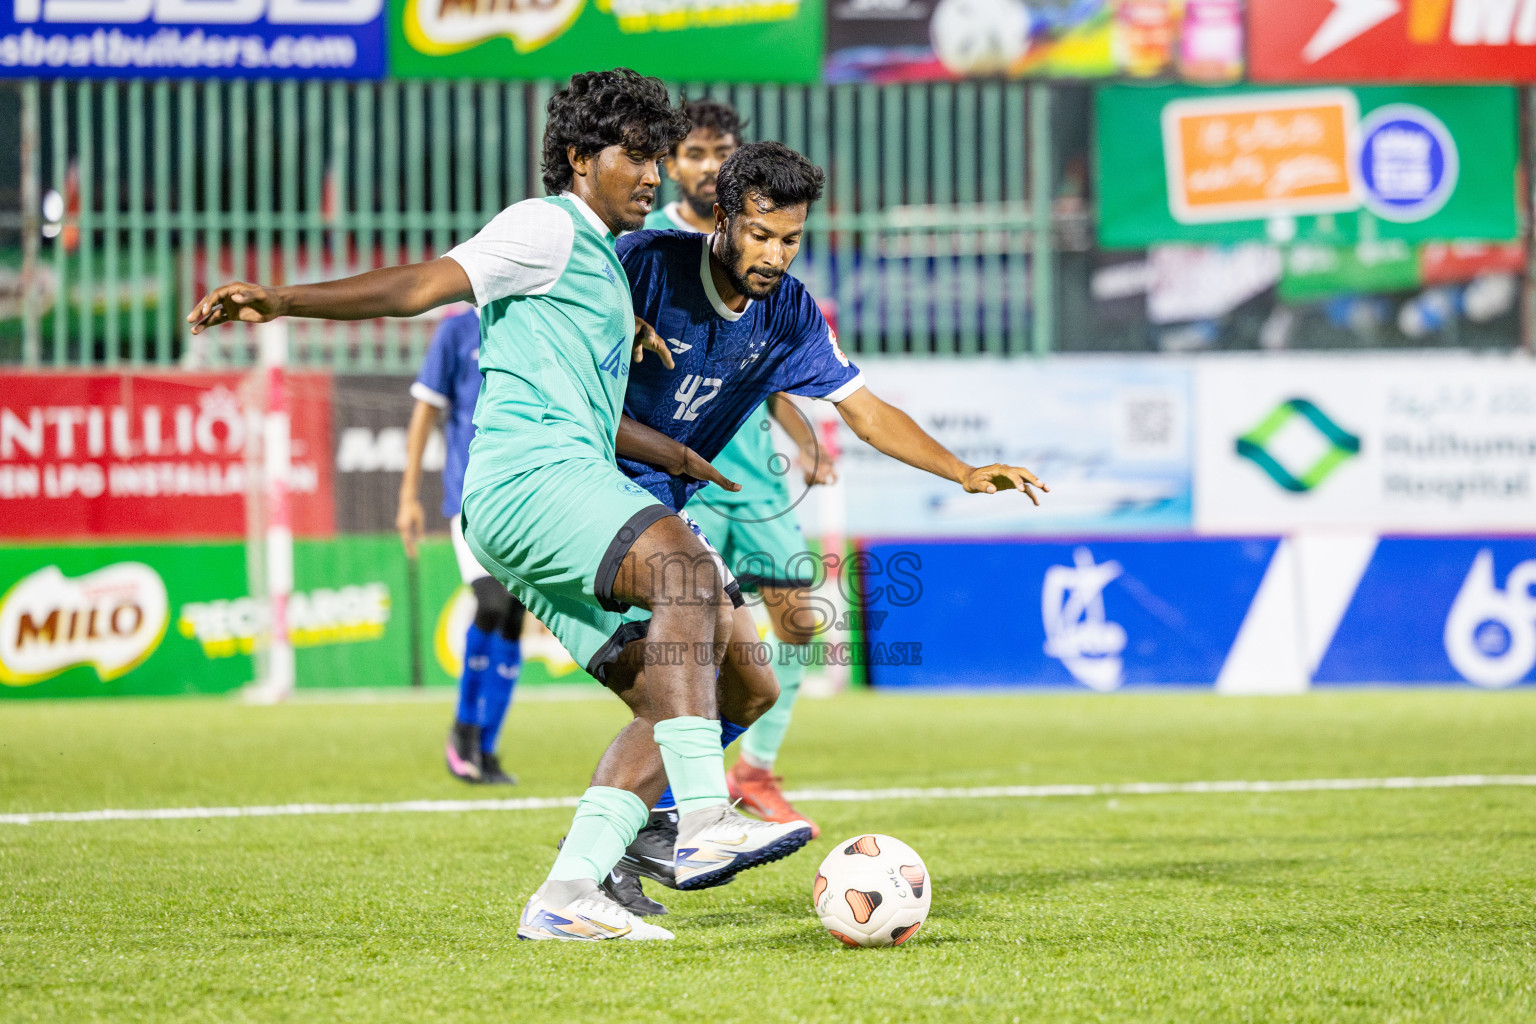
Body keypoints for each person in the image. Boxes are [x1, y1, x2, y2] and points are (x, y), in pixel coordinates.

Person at [188, 69, 814, 944]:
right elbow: (417, 287)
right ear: (575, 157)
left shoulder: (601, 262)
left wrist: (676, 453)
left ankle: (570, 891)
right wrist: (281, 300)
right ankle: (706, 822)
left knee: (726, 684)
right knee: (689, 572)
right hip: (531, 481)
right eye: (632, 156)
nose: (650, 174)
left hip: (542, 497)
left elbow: (592, 403)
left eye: (655, 157)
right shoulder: (543, 226)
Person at [536, 140, 1046, 915]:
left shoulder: (790, 312)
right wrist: (620, 316)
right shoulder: (643, 261)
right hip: (581, 500)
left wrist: (964, 471)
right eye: (762, 234)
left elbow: (867, 411)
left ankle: (638, 832)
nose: (776, 254)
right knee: (685, 671)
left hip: (657, 514)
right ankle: (657, 835)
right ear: (724, 217)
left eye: (792, 238)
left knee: (749, 688)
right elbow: (555, 290)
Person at [644, 98, 836, 835]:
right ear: (673, 164)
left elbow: (766, 359)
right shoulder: (652, 244)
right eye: (694, 153)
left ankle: (752, 768)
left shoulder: (766, 247)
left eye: (721, 151)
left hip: (749, 462)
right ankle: (675, 791)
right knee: (691, 632)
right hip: (669, 463)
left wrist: (802, 436)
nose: (708, 165)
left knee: (798, 617)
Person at [397, 308, 521, 786]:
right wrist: (409, 496)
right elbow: (426, 410)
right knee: (491, 602)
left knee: (512, 618)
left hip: (523, 498)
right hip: (470, 497)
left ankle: (486, 750)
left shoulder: (533, 318)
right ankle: (463, 730)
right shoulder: (458, 329)